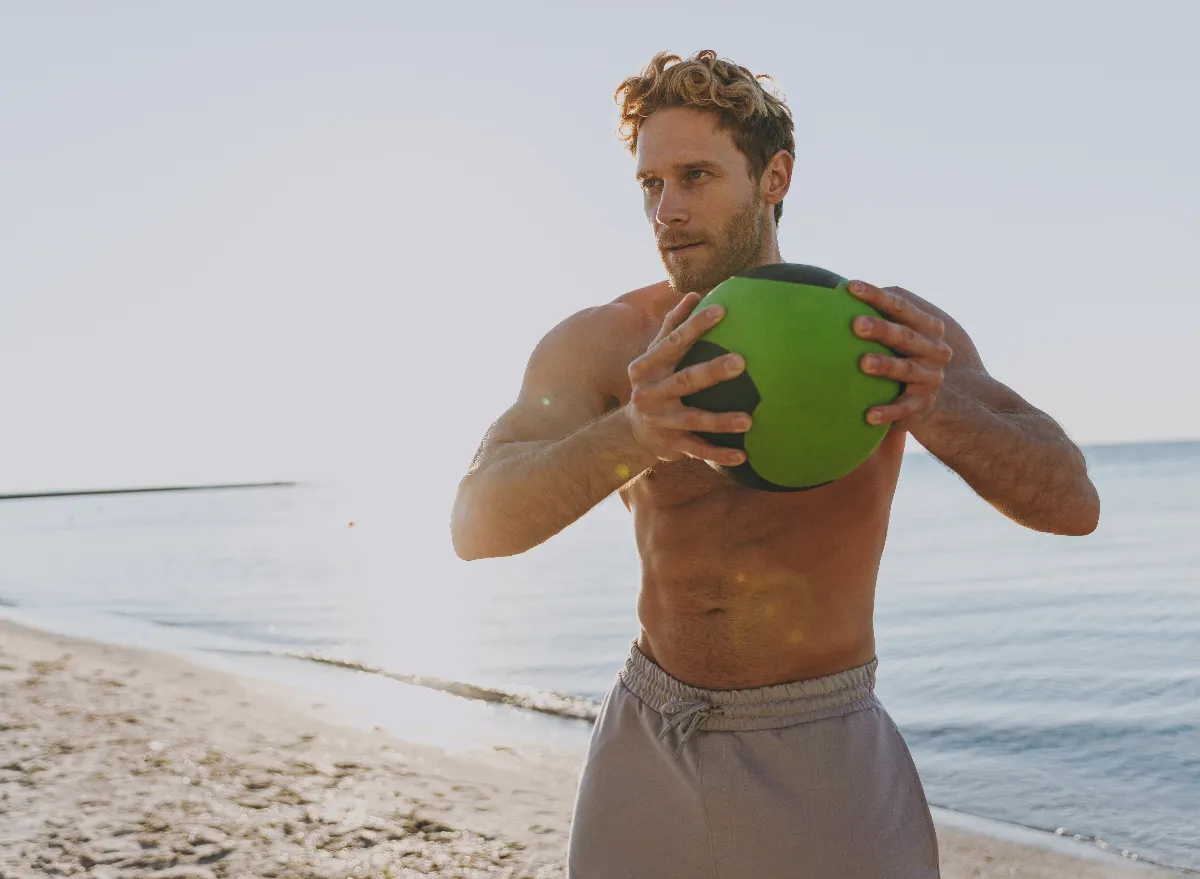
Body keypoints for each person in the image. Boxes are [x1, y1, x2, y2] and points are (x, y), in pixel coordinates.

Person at [450, 49, 1100, 879]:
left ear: (773, 177)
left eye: (695, 176)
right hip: (650, 730)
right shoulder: (610, 343)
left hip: (820, 738)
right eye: (651, 185)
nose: (668, 211)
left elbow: (1072, 500)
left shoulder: (885, 331)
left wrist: (936, 406)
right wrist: (634, 435)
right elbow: (474, 524)